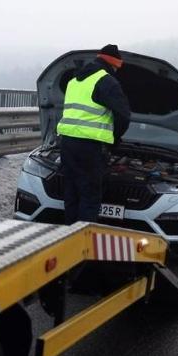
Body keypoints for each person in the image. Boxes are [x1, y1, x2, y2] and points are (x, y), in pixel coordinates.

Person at [57, 44, 131, 224]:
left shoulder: (74, 81)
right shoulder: (106, 81)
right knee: (89, 197)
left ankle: (68, 236)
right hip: (89, 148)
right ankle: (82, 244)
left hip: (66, 143)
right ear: (113, 64)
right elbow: (124, 116)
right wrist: (114, 140)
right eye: (116, 67)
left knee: (72, 193)